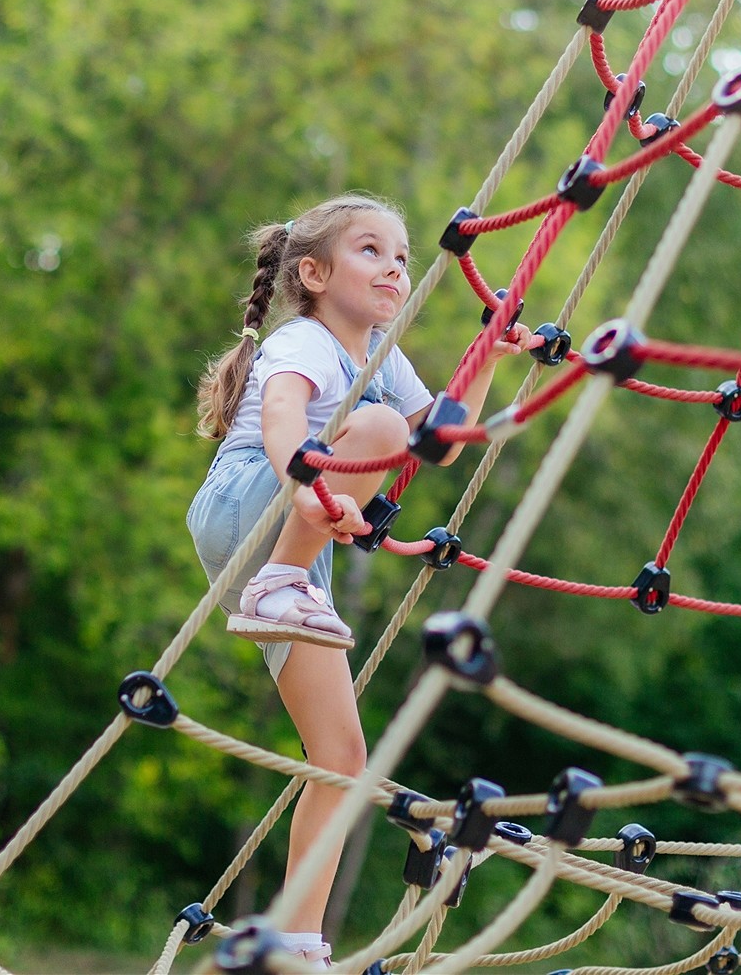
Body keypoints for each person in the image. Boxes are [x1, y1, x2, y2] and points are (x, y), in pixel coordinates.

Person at [187, 193, 536, 968]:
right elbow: (284, 417)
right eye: (372, 251)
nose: (395, 268)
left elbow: (440, 442)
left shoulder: (383, 353)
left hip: (293, 536)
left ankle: (297, 941)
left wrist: (488, 353)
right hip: (258, 500)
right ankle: (276, 583)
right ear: (312, 273)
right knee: (377, 425)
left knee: (342, 756)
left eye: (403, 257)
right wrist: (309, 486)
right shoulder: (307, 341)